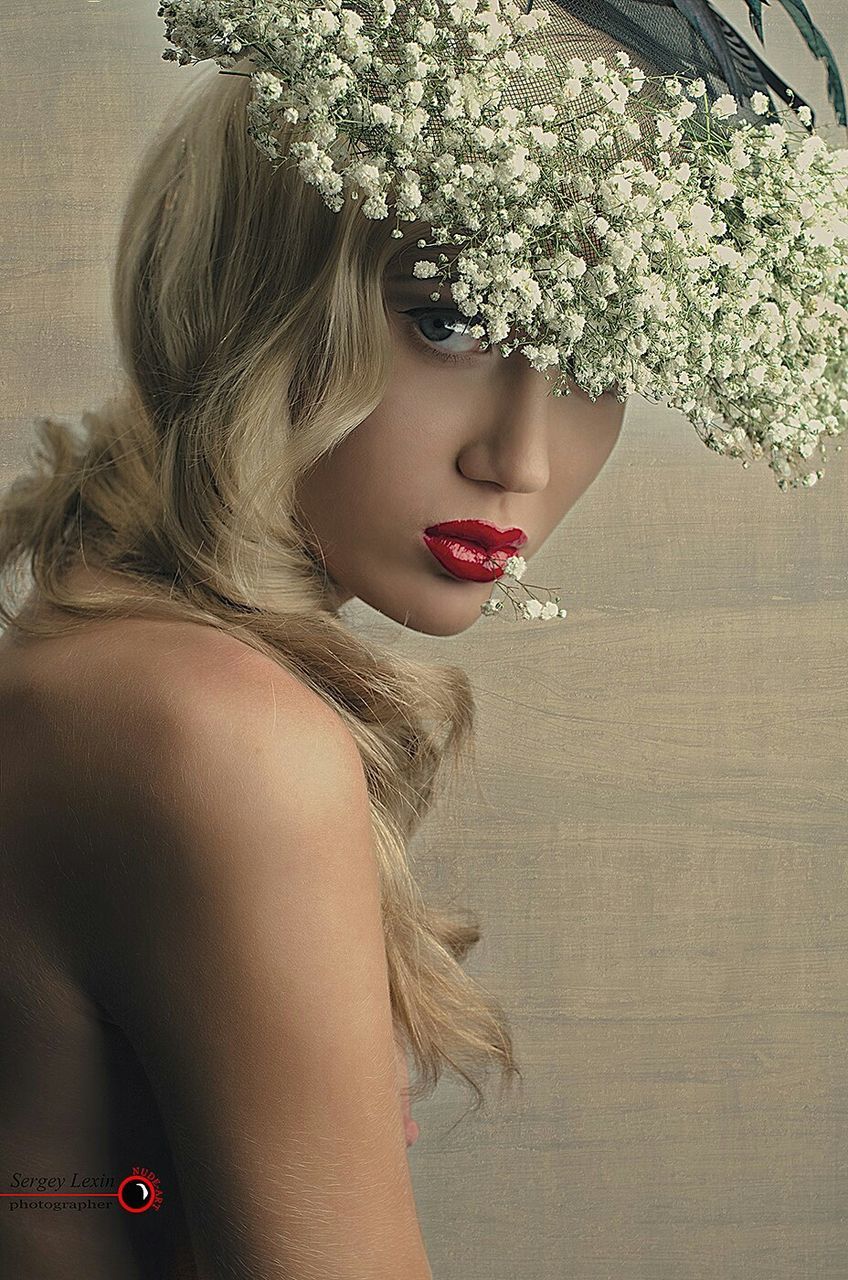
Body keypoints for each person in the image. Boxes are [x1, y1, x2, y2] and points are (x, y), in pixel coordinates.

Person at [0, 0, 843, 1276]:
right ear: (254, 290)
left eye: (589, 351)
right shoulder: (212, 734)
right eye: (446, 316)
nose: (518, 454)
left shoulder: (84, 665)